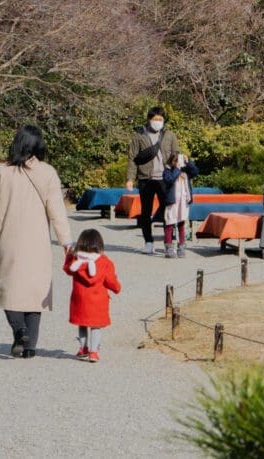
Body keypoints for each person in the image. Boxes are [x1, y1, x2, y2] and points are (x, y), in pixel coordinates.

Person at [0, 126, 72, 359]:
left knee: (8, 287)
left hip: (9, 236)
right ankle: (29, 346)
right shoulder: (48, 172)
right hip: (38, 238)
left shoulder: (1, 172)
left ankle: (19, 330)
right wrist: (66, 241)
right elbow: (57, 210)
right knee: (35, 291)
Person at [125, 106, 180, 255]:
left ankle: (168, 242)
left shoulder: (169, 135)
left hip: (165, 178)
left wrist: (178, 172)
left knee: (168, 209)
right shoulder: (139, 136)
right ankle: (148, 242)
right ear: (149, 119)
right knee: (145, 211)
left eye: (161, 119)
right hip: (145, 178)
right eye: (155, 119)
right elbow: (132, 159)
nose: (158, 122)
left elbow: (176, 156)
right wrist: (130, 178)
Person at [63, 228, 121, 363]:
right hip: (98, 301)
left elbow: (67, 269)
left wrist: (69, 256)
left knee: (82, 325)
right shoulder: (105, 262)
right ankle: (94, 352)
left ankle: (83, 349)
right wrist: (117, 288)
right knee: (96, 326)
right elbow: (110, 281)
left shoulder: (76, 262)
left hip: (80, 300)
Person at [162, 152, 199, 258]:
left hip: (183, 201)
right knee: (169, 223)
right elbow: (169, 180)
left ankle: (181, 247)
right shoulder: (167, 170)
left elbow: (195, 172)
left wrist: (189, 162)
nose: (179, 163)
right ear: (172, 161)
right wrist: (177, 170)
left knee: (181, 223)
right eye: (176, 161)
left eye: (180, 160)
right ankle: (169, 247)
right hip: (172, 201)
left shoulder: (185, 170)